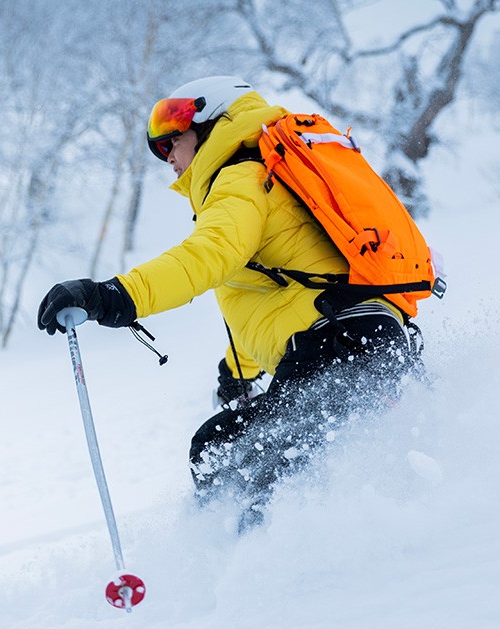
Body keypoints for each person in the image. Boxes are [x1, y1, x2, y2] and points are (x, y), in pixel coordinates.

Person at [37, 76, 421, 529]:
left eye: (172, 141)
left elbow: (208, 256)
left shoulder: (241, 177)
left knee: (238, 464)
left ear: (212, 120)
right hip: (360, 341)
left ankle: (263, 572)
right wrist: (237, 370)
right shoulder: (259, 178)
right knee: (236, 454)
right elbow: (281, 292)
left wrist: (113, 296)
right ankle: (250, 560)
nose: (169, 158)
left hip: (338, 345)